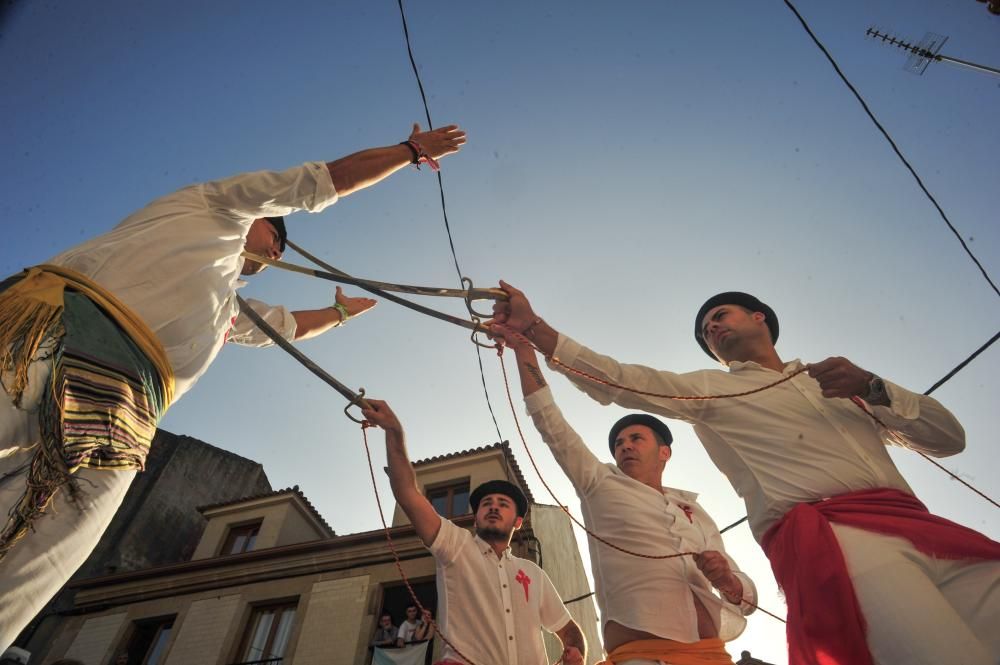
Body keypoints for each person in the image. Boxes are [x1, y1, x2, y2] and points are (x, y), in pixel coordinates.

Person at [0, 122, 466, 650]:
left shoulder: (226, 303)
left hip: (124, 409)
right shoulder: (214, 206)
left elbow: (284, 327)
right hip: (56, 332)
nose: (275, 257)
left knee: (41, 553)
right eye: (276, 240)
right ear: (262, 219)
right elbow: (324, 181)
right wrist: (409, 152)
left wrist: (339, 313)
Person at [489, 284, 1000, 665]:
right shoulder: (715, 391)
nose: (712, 327)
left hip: (927, 530)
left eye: (719, 315)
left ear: (760, 317)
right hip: (848, 546)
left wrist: (873, 384)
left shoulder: (841, 384)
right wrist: (534, 332)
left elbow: (948, 438)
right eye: (706, 331)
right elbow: (621, 382)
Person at [493, 323, 756, 664]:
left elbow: (746, 599)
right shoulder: (597, 482)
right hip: (639, 655)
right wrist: (524, 350)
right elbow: (548, 419)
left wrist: (728, 581)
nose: (624, 446)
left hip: (712, 654)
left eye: (636, 439)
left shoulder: (693, 510)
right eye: (619, 443)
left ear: (664, 453)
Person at [362, 399, 586, 665]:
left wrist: (576, 655)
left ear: (517, 522)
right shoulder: (455, 545)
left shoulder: (533, 574)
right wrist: (394, 433)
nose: (493, 507)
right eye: (485, 504)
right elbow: (408, 493)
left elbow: (568, 630)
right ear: (476, 517)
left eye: (503, 504)